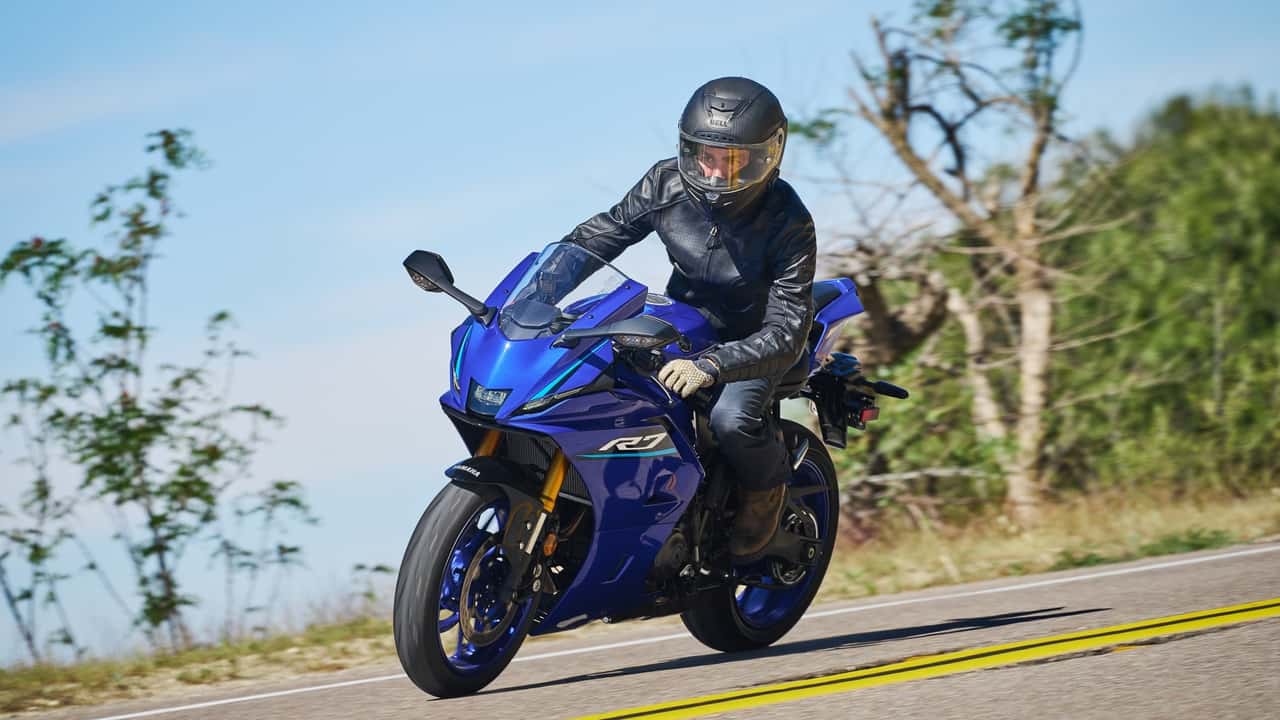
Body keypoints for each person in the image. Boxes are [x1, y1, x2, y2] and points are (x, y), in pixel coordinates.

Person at [562, 76, 817, 561]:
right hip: (682, 324)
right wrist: (538, 294)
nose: (717, 173)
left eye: (734, 160)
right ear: (688, 149)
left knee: (730, 419)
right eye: (707, 157)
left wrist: (713, 366)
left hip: (754, 342)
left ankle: (766, 490)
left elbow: (787, 331)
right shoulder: (665, 183)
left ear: (768, 156)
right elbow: (601, 236)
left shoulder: (790, 221)